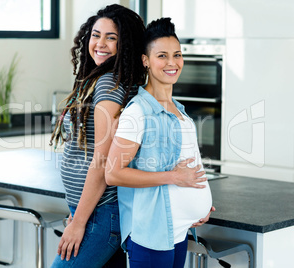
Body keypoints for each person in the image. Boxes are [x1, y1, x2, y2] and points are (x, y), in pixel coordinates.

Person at [105, 17, 215, 268]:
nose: (172, 63)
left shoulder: (178, 110)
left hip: (178, 231)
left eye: (177, 55)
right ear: (146, 61)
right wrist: (174, 178)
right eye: (162, 56)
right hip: (152, 235)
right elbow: (113, 174)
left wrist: (201, 203)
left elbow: (185, 166)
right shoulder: (139, 111)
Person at [49, 4, 146, 268]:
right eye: (95, 34)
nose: (100, 43)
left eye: (111, 37)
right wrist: (78, 213)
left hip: (100, 214)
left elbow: (102, 161)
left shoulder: (109, 83)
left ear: (125, 45)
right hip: (92, 211)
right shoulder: (100, 79)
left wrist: (79, 222)